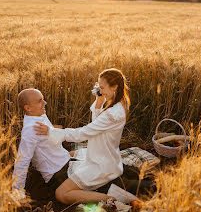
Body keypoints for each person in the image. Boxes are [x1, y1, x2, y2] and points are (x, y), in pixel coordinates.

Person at [34, 68, 131, 204]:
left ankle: (113, 199)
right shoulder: (121, 102)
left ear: (114, 87)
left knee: (61, 194)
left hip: (102, 164)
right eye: (99, 87)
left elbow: (83, 133)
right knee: (71, 154)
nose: (100, 91)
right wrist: (99, 101)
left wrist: (52, 132)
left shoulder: (112, 114)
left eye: (102, 88)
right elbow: (98, 125)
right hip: (103, 153)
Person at [12, 88, 71, 200]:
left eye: (43, 99)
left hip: (65, 161)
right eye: (40, 101)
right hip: (58, 174)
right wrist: (17, 192)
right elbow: (22, 160)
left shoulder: (39, 115)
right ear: (28, 108)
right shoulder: (31, 129)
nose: (45, 103)